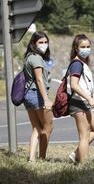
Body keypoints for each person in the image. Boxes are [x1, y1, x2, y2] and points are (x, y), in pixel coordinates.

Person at [67, 34, 94, 163]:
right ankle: (83, 163)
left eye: (88, 46)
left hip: (84, 102)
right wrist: (89, 99)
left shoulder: (83, 64)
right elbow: (74, 85)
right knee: (84, 135)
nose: (86, 49)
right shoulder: (77, 64)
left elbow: (87, 86)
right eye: (83, 46)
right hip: (78, 102)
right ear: (76, 48)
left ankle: (76, 154)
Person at [22, 31, 54, 162]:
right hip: (37, 95)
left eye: (46, 42)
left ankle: (31, 158)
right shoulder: (36, 58)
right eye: (41, 42)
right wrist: (46, 99)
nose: (44, 45)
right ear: (33, 43)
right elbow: (39, 80)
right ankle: (42, 157)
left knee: (36, 128)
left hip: (28, 95)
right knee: (48, 127)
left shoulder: (29, 57)